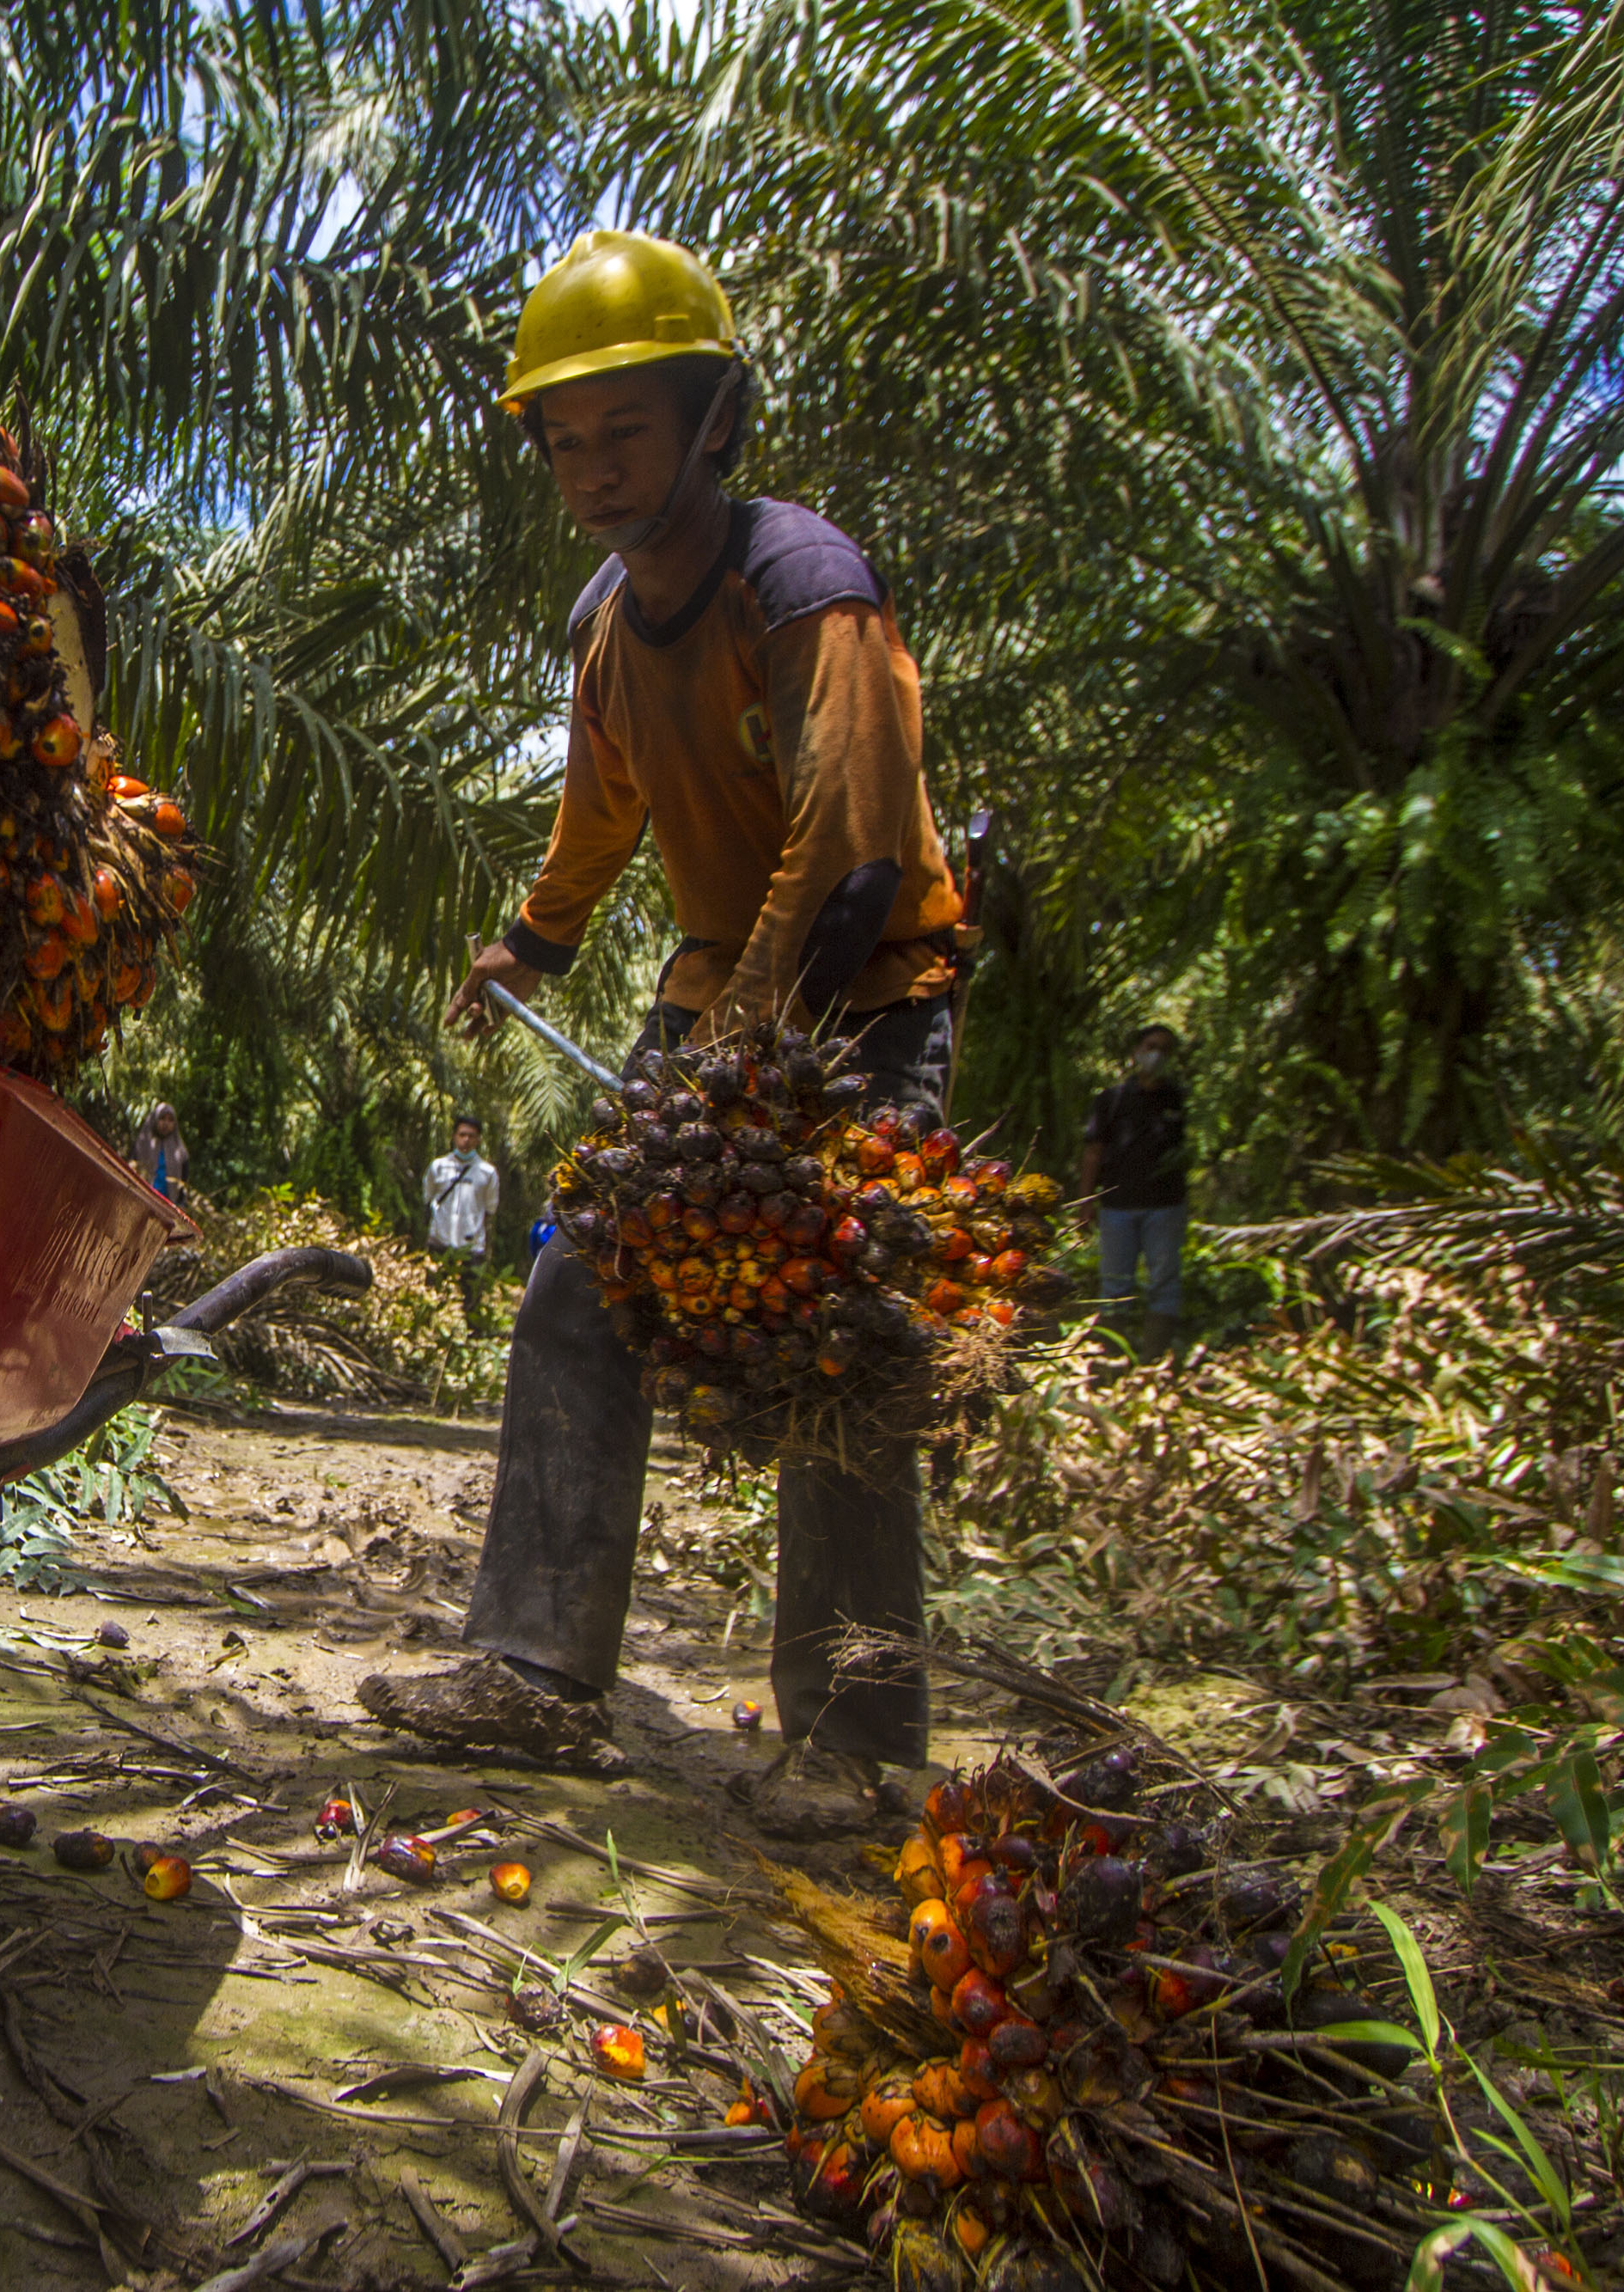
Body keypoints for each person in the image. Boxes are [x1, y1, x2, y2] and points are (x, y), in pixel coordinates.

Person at [360, 231, 965, 1805]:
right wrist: (532, 944)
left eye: (625, 428)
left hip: (867, 1001)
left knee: (843, 1348)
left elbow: (852, 848)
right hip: (717, 1000)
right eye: (564, 439)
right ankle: (535, 1668)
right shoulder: (607, 624)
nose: (591, 466)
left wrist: (748, 1049)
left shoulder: (807, 589)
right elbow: (601, 807)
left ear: (712, 422)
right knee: (579, 1285)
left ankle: (856, 1742)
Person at [1079, 1026, 1190, 1357]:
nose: (1157, 1054)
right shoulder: (1111, 1100)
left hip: (1166, 1207)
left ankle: (1155, 1359)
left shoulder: (1179, 1099)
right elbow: (1092, 1152)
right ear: (1137, 1051)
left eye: (1165, 1050)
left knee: (1164, 1282)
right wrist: (1086, 1203)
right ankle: (1111, 1358)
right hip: (1117, 1206)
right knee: (1114, 1284)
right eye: (1151, 1046)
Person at [426, 1114, 500, 1324]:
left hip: (471, 1246)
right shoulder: (438, 1167)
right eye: (462, 1135)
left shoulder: (487, 1173)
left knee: (471, 1299)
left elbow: (490, 1207)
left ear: (478, 1140)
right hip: (440, 1241)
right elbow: (428, 1195)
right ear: (454, 1137)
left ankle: (471, 1337)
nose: (466, 1140)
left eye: (471, 1136)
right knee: (432, 1295)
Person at [130, 1103, 190, 1201]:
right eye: (162, 1118)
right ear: (155, 1120)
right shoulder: (143, 1144)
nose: (166, 1123)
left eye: (170, 1120)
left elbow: (183, 1184)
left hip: (167, 1206)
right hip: (140, 1198)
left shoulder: (181, 1152)